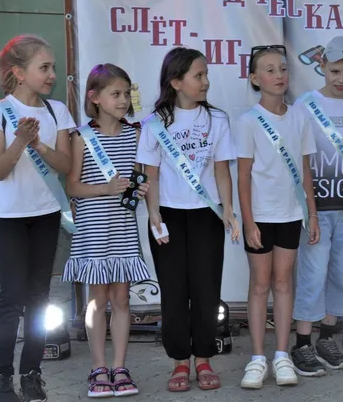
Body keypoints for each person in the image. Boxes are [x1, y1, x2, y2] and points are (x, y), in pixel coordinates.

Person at [0, 34, 76, 402]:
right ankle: (0, 379)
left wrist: (38, 144)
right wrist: (19, 141)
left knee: (39, 297)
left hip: (46, 214)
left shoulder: (57, 111)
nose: (52, 75)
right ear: (19, 73)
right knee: (12, 297)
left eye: (53, 67)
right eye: (44, 67)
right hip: (9, 217)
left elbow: (65, 164)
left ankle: (31, 373)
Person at [136, 47, 240, 392]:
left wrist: (228, 209)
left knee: (206, 290)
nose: (206, 81)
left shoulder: (217, 120)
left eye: (206, 74)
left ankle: (204, 358)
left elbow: (222, 170)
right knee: (174, 291)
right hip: (167, 215)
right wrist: (153, 213)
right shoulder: (154, 123)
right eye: (199, 75)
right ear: (176, 82)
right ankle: (180, 361)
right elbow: (150, 174)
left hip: (206, 216)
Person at [63, 64, 151, 397]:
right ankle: (99, 367)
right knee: (98, 299)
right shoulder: (81, 137)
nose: (123, 100)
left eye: (127, 93)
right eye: (115, 94)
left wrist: (138, 189)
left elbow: (137, 179)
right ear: (95, 97)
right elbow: (72, 186)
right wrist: (106, 189)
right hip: (94, 229)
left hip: (123, 228)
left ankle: (120, 367)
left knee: (122, 298)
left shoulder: (135, 135)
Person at [236, 45, 320, 389]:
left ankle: (282, 355)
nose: (279, 75)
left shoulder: (300, 116)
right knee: (260, 284)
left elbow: (305, 169)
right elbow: (243, 175)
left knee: (284, 283)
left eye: (283, 69)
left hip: (290, 213)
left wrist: (311, 213)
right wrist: (248, 221)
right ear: (255, 78)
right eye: (269, 70)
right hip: (260, 215)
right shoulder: (248, 121)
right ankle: (258, 358)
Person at [289, 36, 343, 376]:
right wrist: (307, 209)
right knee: (313, 272)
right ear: (322, 66)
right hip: (316, 208)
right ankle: (302, 343)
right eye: (335, 71)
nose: (341, 79)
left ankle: (327, 338)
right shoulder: (305, 105)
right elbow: (298, 160)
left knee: (341, 273)